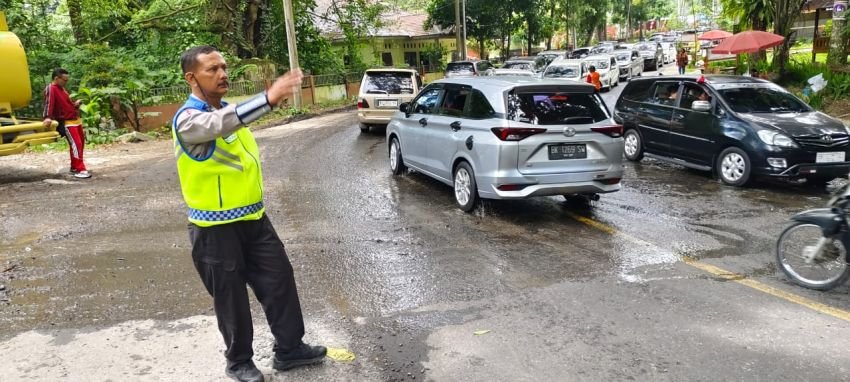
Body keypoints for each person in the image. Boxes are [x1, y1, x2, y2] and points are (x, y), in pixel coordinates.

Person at [172, 45, 326, 382]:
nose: (223, 73)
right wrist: (268, 99)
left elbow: (231, 122)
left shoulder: (227, 109)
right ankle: (239, 361)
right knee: (231, 299)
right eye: (212, 69)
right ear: (191, 78)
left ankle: (290, 349)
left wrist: (268, 102)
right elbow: (219, 124)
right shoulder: (189, 120)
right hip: (214, 228)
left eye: (224, 66)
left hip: (254, 219)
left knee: (279, 280)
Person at [42, 68, 91, 179]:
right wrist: (47, 117)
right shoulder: (51, 89)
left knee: (80, 144)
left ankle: (75, 166)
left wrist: (75, 105)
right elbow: (48, 103)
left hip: (74, 119)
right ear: (56, 78)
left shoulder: (62, 89)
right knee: (76, 144)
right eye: (64, 80)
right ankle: (80, 169)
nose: (66, 82)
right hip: (66, 121)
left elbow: (65, 105)